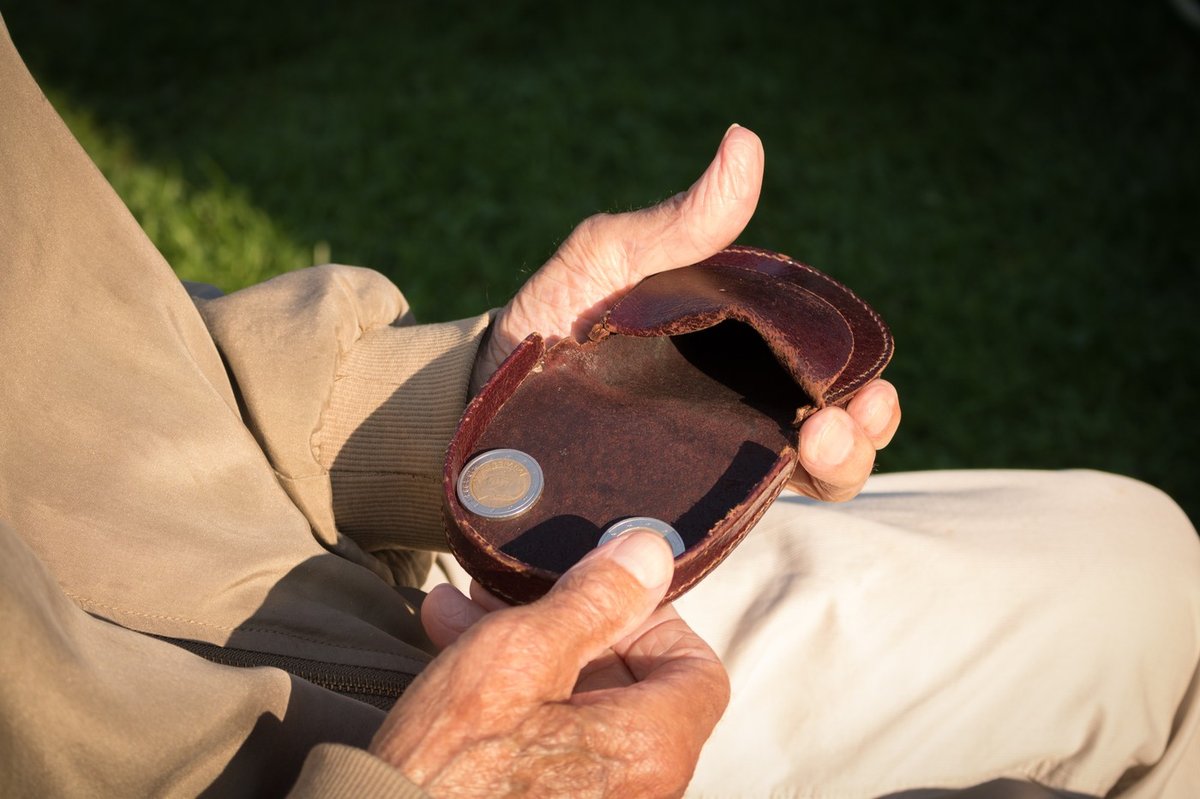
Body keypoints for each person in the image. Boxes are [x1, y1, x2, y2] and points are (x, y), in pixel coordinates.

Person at [1, 17, 1197, 799]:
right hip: (354, 771)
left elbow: (76, 348)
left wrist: (478, 420)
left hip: (338, 579)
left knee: (1144, 568)